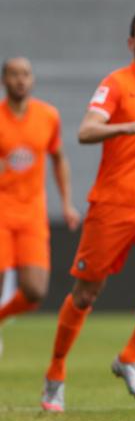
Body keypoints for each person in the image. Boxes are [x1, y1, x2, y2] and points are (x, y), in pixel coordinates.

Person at [40, 12, 135, 411]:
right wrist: (128, 127)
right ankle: (55, 370)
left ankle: (129, 357)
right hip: (113, 203)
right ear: (131, 43)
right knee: (87, 292)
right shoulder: (116, 84)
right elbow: (85, 131)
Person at [0, 57, 80, 355]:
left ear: (31, 80)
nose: (20, 79)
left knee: (34, 291)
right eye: (13, 74)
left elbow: (58, 158)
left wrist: (67, 203)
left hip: (33, 213)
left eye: (25, 74)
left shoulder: (47, 116)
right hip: (2, 211)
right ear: (4, 81)